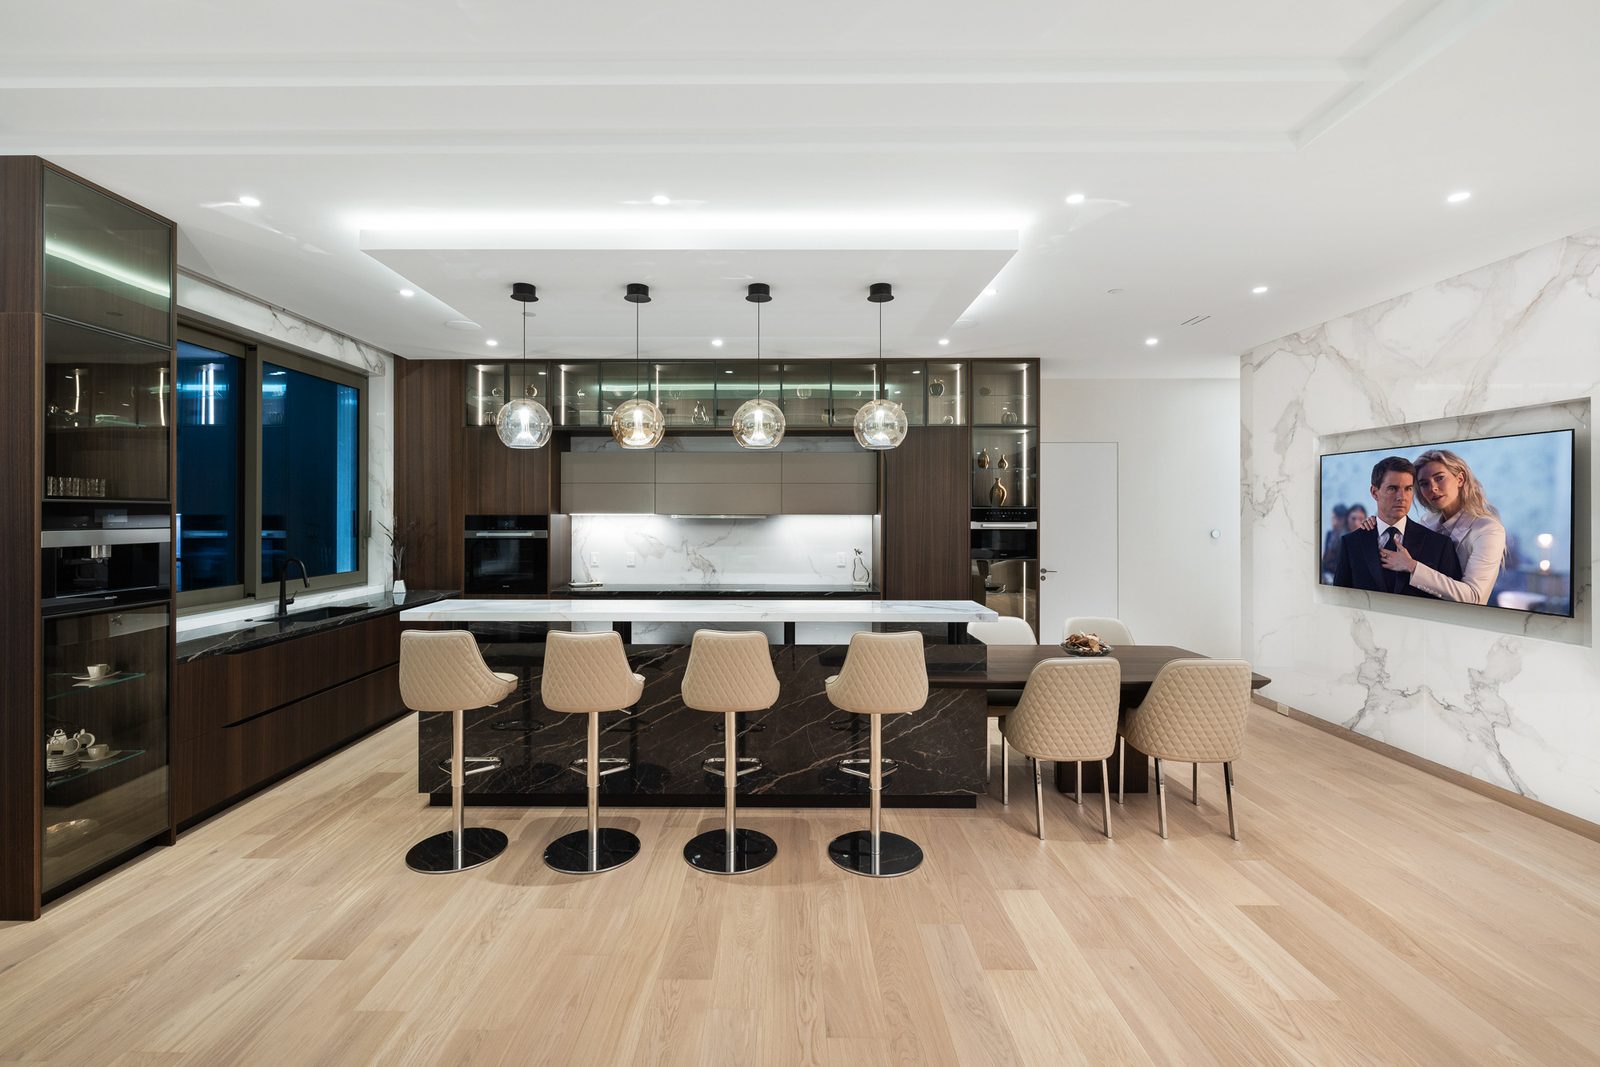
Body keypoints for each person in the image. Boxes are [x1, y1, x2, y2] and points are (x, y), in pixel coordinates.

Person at [1378, 448, 1507, 604]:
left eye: (1439, 478)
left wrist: (1412, 567)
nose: (1433, 488)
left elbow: (1474, 597)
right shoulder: (1427, 523)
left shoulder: (1488, 530)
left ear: (1460, 479)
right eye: (1424, 484)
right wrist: (1375, 524)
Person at [1333, 456, 1461, 596]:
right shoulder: (1351, 543)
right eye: (1393, 488)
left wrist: (1413, 567)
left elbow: (1454, 602)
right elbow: (1340, 597)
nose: (1402, 497)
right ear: (1374, 492)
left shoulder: (1439, 545)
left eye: (1408, 489)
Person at [1321, 503, 1350, 578]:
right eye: (1333, 518)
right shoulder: (1329, 534)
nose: (1335, 522)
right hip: (1325, 572)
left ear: (1345, 520)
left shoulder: (1347, 537)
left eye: (1339, 519)